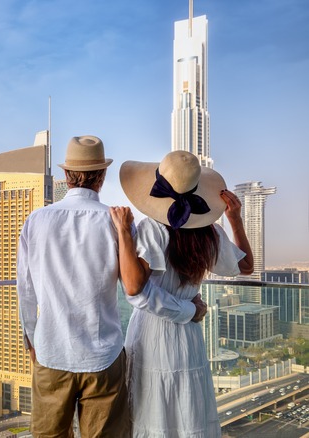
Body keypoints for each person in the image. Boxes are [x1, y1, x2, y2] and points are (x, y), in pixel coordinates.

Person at [17, 136, 206, 437]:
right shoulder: (117, 222)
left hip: (51, 354)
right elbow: (136, 286)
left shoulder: (35, 221)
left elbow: (25, 291)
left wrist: (31, 343)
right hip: (103, 358)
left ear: (66, 175)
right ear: (102, 176)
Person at [111, 150, 254, 437]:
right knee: (187, 409)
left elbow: (134, 286)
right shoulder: (209, 233)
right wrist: (235, 218)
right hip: (188, 335)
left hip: (152, 333)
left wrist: (124, 233)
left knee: (151, 408)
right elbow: (246, 266)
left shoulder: (152, 229)